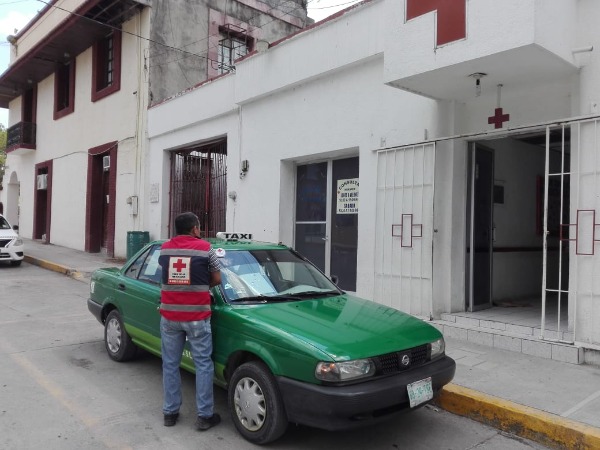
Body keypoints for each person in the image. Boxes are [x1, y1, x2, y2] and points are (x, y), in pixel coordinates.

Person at [158, 212, 222, 430]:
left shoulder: (164, 249)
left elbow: (165, 274)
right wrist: (201, 287)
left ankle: (170, 413)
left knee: (170, 364)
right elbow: (217, 278)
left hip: (170, 316)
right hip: (197, 317)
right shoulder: (206, 249)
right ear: (194, 228)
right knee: (203, 364)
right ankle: (204, 416)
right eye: (199, 227)